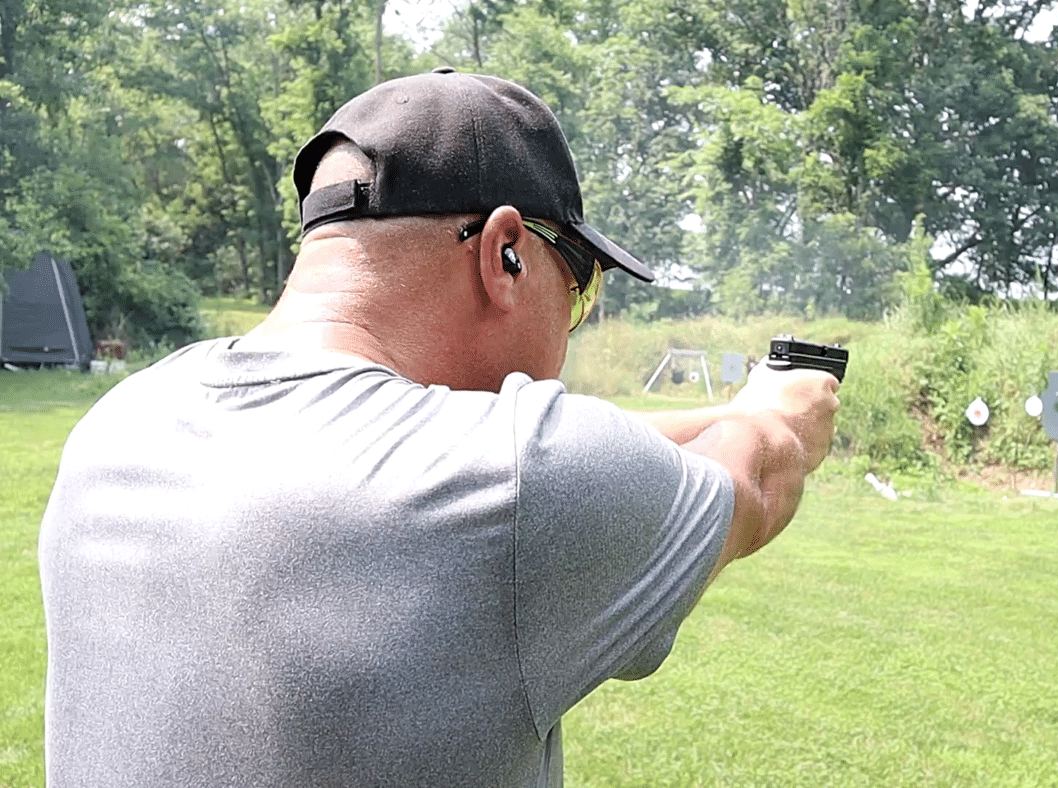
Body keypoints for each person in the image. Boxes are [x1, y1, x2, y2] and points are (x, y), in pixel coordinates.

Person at [38, 68, 838, 787]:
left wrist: (723, 413)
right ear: (505, 254)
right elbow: (757, 478)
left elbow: (488, 445)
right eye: (580, 293)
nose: (574, 326)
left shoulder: (123, 422)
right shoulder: (529, 480)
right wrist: (777, 408)